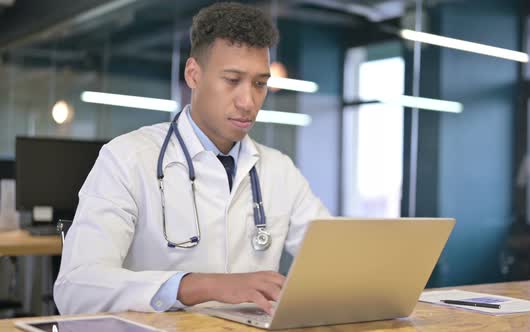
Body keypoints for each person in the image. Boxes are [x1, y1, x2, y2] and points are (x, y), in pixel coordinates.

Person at [54, 2, 330, 315]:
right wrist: (204, 286)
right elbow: (75, 287)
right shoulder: (128, 158)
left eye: (259, 83)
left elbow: (337, 256)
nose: (248, 101)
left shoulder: (279, 170)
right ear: (193, 74)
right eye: (232, 80)